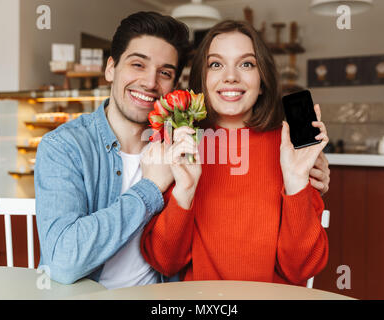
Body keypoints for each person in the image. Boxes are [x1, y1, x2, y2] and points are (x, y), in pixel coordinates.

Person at [140, 20, 330, 286]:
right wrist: (184, 190)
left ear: (262, 80)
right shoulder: (182, 145)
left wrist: (297, 180)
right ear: (202, 79)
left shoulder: (291, 146)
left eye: (246, 64)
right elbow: (165, 262)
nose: (231, 76)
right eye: (216, 64)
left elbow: (302, 270)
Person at [34, 11, 192, 287]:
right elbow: (63, 261)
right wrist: (150, 187)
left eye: (164, 72)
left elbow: (178, 258)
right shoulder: (63, 147)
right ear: (111, 68)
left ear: (173, 86)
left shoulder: (179, 150)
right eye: (138, 64)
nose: (150, 82)